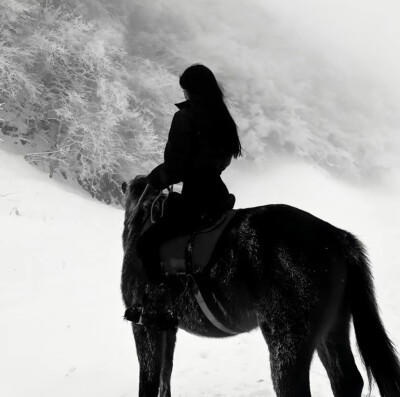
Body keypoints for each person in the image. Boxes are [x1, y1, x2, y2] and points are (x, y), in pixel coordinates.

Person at [139, 64, 242, 282]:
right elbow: (224, 161)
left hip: (195, 200)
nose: (184, 93)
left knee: (146, 244)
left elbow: (176, 167)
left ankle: (159, 300)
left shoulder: (185, 118)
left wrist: (155, 179)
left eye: (185, 89)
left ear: (191, 90)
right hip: (218, 196)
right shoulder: (223, 117)